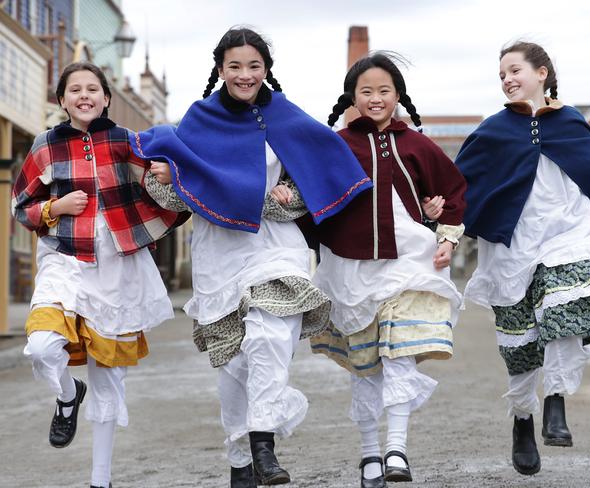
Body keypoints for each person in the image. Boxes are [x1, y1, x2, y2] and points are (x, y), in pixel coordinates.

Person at [132, 27, 372, 487]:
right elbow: (173, 196)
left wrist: (291, 195)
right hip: (219, 252)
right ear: (220, 69)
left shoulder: (285, 116)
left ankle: (263, 440)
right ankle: (241, 457)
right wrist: (168, 176)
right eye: (235, 66)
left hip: (274, 244)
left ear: (267, 69)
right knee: (234, 365)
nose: (245, 75)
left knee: (270, 334)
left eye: (254, 66)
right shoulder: (199, 121)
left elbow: (315, 178)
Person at [455, 41, 590, 476]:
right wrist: (439, 226)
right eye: (501, 73)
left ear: (542, 73)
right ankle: (523, 421)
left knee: (564, 309)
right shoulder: (492, 131)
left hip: (567, 234)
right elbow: (455, 186)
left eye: (514, 70)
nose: (506, 78)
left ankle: (556, 403)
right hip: (511, 245)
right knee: (521, 346)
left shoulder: (571, 123)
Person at [11, 62, 188, 488]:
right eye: (75, 89)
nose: (85, 95)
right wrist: (55, 208)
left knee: (108, 377)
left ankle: (100, 480)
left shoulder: (128, 141)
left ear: (107, 98)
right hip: (64, 258)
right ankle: (68, 395)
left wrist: (168, 174)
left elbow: (164, 188)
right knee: (40, 347)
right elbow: (20, 205)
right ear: (62, 100)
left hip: (119, 264)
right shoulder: (44, 146)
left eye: (93, 89)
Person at [306, 53, 467, 488]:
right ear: (352, 98)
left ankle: (397, 448)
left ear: (398, 95)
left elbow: (451, 191)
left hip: (409, 263)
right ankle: (369, 455)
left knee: (400, 354)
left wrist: (444, 233)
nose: (376, 99)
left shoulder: (417, 144)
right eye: (366, 92)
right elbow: (310, 196)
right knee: (366, 365)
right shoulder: (336, 144)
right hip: (349, 269)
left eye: (384, 91)